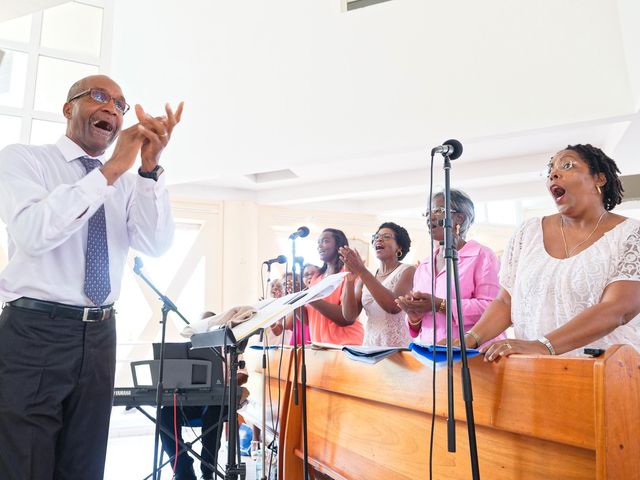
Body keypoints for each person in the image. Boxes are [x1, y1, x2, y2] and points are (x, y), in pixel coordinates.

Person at [0, 74, 182, 480]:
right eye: (100, 97)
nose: (112, 109)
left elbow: (156, 243)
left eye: (120, 104)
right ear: (69, 108)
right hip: (34, 333)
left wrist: (149, 171)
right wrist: (113, 169)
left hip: (100, 335)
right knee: (24, 464)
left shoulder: (130, 183)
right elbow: (33, 232)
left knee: (84, 465)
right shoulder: (23, 159)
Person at [464, 145, 640, 360]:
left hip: (608, 374)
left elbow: (617, 309)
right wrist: (470, 338)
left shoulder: (631, 234)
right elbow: (506, 301)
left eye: (567, 165)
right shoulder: (527, 233)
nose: (553, 174)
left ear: (599, 178)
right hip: (534, 372)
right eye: (550, 171)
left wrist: (542, 346)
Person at [396, 189, 504, 346]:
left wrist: (440, 305)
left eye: (438, 211)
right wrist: (414, 317)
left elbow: (493, 308)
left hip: (474, 355)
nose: (430, 218)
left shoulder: (482, 256)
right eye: (427, 213)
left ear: (459, 218)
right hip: (432, 356)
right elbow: (420, 326)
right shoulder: (424, 266)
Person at [159, 311, 249, 480]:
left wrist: (224, 379)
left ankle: (207, 470)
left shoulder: (230, 347)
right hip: (189, 403)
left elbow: (243, 375)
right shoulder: (189, 348)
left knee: (214, 412)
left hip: (217, 402)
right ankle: (183, 470)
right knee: (164, 414)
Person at [340, 222, 416, 346]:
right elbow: (349, 316)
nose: (379, 239)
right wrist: (349, 280)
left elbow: (394, 307)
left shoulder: (408, 271)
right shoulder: (366, 276)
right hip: (370, 345)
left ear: (399, 247)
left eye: (386, 236)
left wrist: (362, 270)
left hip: (397, 347)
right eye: (376, 237)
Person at [306, 228, 364, 345]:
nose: (320, 246)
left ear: (339, 246)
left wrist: (309, 297)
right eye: (318, 243)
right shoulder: (317, 276)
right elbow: (309, 319)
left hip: (345, 343)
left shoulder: (349, 273)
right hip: (320, 344)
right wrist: (297, 297)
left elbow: (345, 318)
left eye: (325, 241)